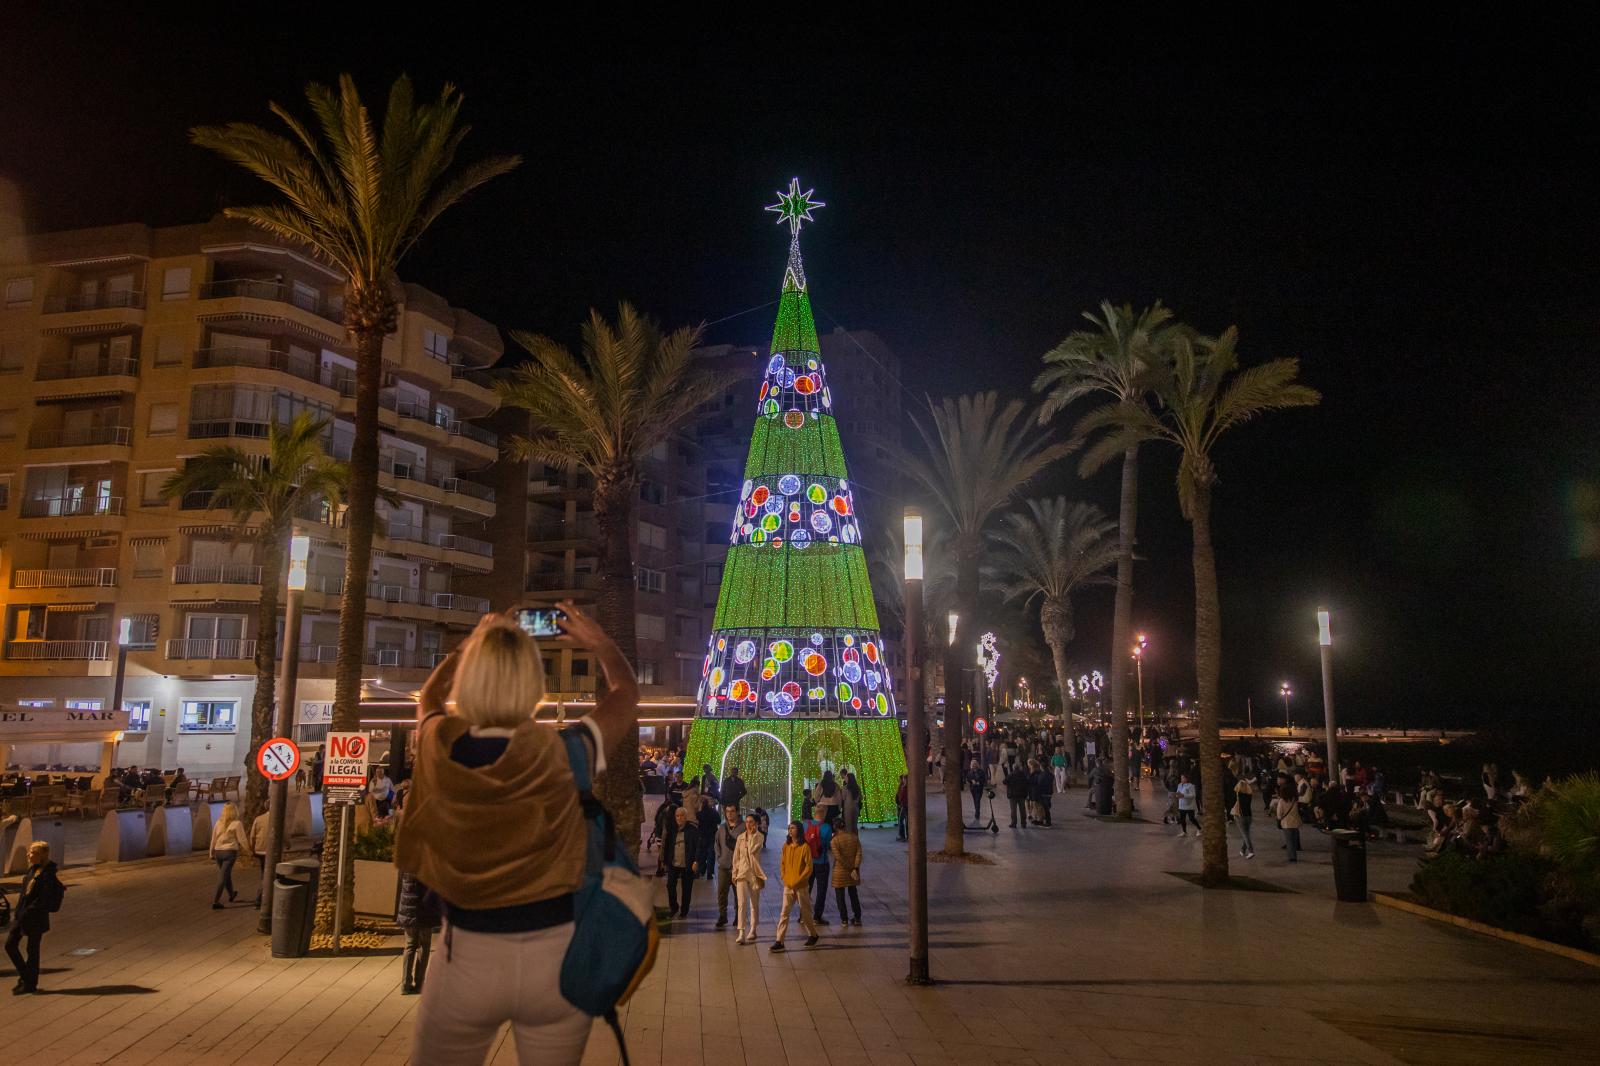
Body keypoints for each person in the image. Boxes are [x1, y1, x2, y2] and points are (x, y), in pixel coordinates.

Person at [396, 602, 638, 1066]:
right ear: (534, 685)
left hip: (466, 957)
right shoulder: (568, 752)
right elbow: (626, 693)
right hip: (556, 960)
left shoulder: (438, 744)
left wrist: (473, 642)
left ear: (469, 678)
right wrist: (600, 643)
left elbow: (429, 697)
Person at [5, 841, 61, 995]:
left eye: (32, 853)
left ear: (41, 856)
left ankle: (30, 983)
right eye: (29, 852)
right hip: (22, 916)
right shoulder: (33, 870)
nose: (28, 855)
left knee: (32, 950)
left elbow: (41, 901)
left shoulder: (46, 875)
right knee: (10, 945)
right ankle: (26, 977)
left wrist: (25, 913)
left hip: (35, 919)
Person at [771, 821, 820, 952]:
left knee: (805, 912)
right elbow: (783, 863)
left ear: (798, 830)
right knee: (784, 913)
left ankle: (813, 935)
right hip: (788, 885)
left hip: (801, 886)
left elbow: (809, 867)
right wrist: (784, 877)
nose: (790, 830)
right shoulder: (786, 846)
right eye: (789, 828)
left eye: (792, 828)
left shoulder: (805, 847)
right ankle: (779, 940)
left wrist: (798, 880)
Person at [395, 870, 441, 995]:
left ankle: (405, 984)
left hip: (408, 909)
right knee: (424, 946)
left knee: (409, 945)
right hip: (425, 911)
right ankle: (419, 983)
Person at [208, 801, 252, 908]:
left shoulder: (218, 823)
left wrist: (211, 852)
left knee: (225, 874)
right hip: (230, 852)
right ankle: (215, 901)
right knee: (223, 876)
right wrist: (249, 851)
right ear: (234, 811)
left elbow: (213, 839)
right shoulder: (237, 824)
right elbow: (242, 840)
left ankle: (232, 894)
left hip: (218, 852)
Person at [732, 812, 767, 944]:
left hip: (754, 874)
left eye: (751, 822)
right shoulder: (740, 837)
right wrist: (734, 873)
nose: (748, 824)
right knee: (741, 903)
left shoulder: (760, 837)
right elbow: (736, 856)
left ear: (756, 824)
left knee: (754, 903)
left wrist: (752, 835)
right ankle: (741, 931)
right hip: (742, 873)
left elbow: (752, 850)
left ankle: (753, 929)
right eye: (747, 822)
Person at [662, 806, 700, 919]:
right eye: (677, 816)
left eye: (681, 816)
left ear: (686, 817)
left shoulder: (692, 830)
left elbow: (698, 847)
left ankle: (684, 910)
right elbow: (667, 846)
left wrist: (696, 861)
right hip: (674, 863)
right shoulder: (672, 830)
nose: (679, 818)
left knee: (687, 888)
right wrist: (664, 861)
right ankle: (674, 907)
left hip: (687, 864)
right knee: (670, 885)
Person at [713, 804, 744, 929]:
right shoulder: (721, 828)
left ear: (737, 812)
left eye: (732, 811)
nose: (729, 814)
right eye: (727, 811)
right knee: (721, 892)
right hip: (724, 867)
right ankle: (723, 915)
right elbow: (716, 844)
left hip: (738, 867)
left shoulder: (743, 828)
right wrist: (719, 858)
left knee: (738, 894)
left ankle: (738, 916)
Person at [830, 815, 863, 926]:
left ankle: (844, 919)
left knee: (840, 896)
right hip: (853, 871)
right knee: (853, 894)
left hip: (840, 871)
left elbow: (838, 857)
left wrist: (848, 867)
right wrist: (855, 867)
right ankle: (857, 917)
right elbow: (859, 853)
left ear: (835, 827)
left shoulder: (834, 840)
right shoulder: (854, 837)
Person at [804, 808, 834, 924]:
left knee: (806, 889)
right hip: (822, 863)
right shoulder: (827, 827)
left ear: (814, 813)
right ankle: (817, 917)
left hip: (808, 862)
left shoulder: (805, 825)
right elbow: (827, 845)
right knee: (821, 891)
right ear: (824, 814)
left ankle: (803, 915)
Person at [1272, 784, 1302, 862]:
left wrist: (1279, 818)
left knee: (1289, 841)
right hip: (1295, 822)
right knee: (1294, 840)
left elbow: (1279, 813)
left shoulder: (1282, 801)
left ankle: (1292, 857)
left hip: (1286, 823)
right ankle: (1294, 855)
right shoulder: (1295, 800)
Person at [1232, 773, 1256, 858]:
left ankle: (1251, 851)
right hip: (1249, 816)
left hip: (1240, 816)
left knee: (1245, 834)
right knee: (1246, 833)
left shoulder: (1238, 794)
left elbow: (1236, 788)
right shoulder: (1249, 794)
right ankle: (1243, 850)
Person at [1004, 759, 1031, 828]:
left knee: (1013, 810)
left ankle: (1014, 823)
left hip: (1013, 795)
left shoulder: (1011, 774)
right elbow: (1027, 783)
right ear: (1019, 768)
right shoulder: (1023, 775)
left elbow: (1004, 781)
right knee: (1022, 810)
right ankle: (1023, 824)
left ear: (1013, 768)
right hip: (1021, 795)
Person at [1028, 758, 1054, 827]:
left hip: (1044, 793)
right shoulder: (1049, 774)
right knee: (1044, 807)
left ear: (1042, 767)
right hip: (1048, 792)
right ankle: (1041, 820)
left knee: (1045, 808)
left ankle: (1048, 822)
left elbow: (1039, 784)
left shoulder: (1042, 775)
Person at [894, 773, 909, 842]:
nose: (902, 780)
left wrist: (901, 804)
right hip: (903, 805)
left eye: (903, 779)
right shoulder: (902, 786)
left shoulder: (906, 787)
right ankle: (906, 836)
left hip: (905, 806)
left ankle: (903, 836)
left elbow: (903, 797)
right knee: (905, 820)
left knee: (901, 820)